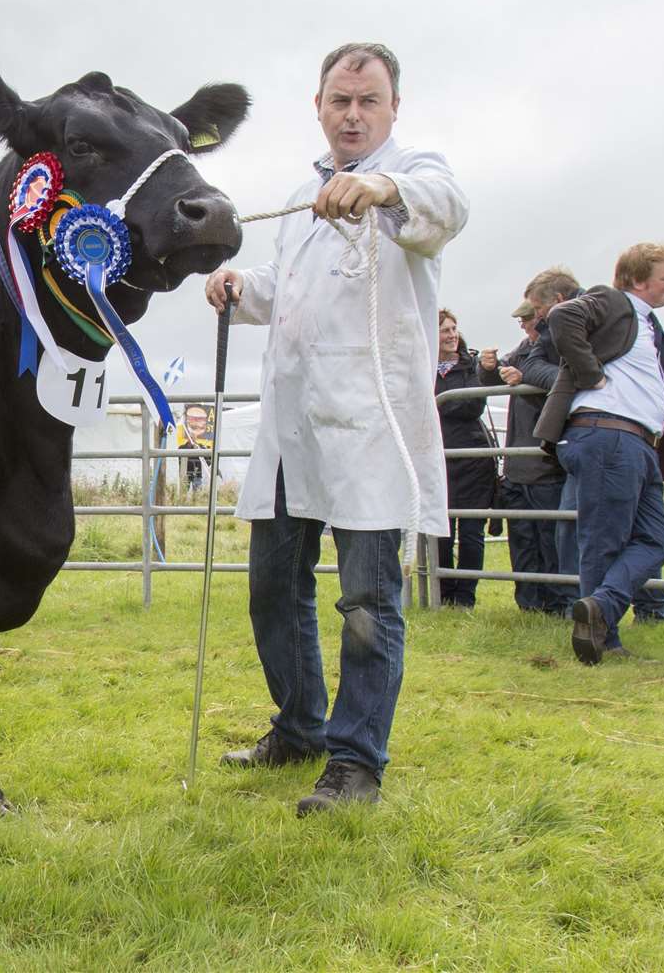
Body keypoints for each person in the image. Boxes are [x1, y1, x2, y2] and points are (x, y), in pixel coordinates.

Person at [204, 42, 468, 814]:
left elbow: (444, 206)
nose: (353, 113)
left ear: (393, 108)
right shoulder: (302, 194)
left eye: (369, 101)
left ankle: (356, 763)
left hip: (366, 429)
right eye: (340, 100)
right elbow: (288, 288)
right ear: (318, 106)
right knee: (272, 591)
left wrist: (380, 186)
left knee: (365, 602)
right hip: (294, 432)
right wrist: (237, 286)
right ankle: (299, 727)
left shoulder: (414, 171)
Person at [534, 244, 664, 664]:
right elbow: (563, 316)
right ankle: (602, 641)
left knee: (656, 538)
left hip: (636, 442)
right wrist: (590, 374)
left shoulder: (646, 323)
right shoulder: (616, 301)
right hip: (608, 435)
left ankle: (601, 605)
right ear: (639, 280)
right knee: (604, 542)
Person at [480, 300, 573, 615]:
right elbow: (488, 383)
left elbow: (566, 386)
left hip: (547, 464)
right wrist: (488, 368)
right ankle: (529, 603)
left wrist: (527, 380)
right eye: (521, 321)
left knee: (551, 538)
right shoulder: (521, 352)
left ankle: (558, 602)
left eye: (528, 320)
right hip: (519, 466)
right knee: (522, 539)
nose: (523, 326)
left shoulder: (559, 353)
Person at [433, 309, 496, 606]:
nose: (451, 335)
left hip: (472, 460)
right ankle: (444, 593)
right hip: (438, 460)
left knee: (471, 530)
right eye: (444, 330)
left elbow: (474, 405)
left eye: (453, 328)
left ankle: (465, 596)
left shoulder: (470, 366)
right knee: (441, 530)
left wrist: (437, 406)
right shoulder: (422, 367)